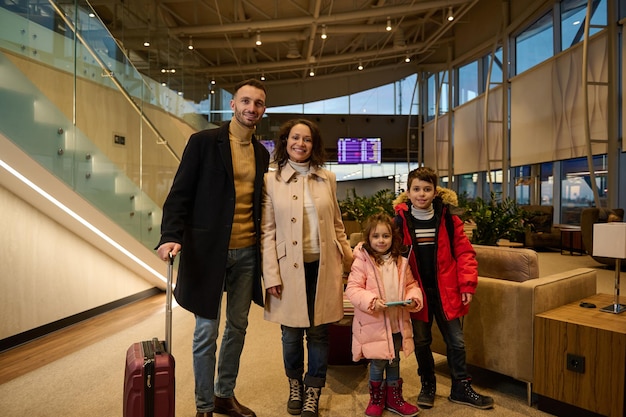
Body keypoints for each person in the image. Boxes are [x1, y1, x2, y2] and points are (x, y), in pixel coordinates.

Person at [156, 79, 270, 417]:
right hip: (207, 251)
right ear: (233, 104)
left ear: (263, 110)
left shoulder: (262, 153)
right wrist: (169, 235)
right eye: (246, 101)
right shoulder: (204, 142)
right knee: (206, 331)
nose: (252, 108)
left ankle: (224, 395)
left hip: (248, 252)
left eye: (259, 103)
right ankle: (204, 406)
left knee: (238, 327)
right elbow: (180, 194)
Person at [260, 118, 353, 417]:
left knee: (318, 334)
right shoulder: (270, 181)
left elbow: (337, 225)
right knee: (290, 335)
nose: (301, 144)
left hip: (324, 267)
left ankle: (313, 388)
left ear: (314, 145)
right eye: (295, 138)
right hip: (288, 269)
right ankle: (294, 386)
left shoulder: (328, 178)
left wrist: (349, 261)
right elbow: (267, 232)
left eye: (307, 139)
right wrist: (271, 274)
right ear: (285, 141)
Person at [394, 167, 494, 410]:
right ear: (408, 192)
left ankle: (460, 386)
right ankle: (428, 384)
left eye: (427, 189)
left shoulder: (449, 219)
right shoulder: (399, 221)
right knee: (421, 341)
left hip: (446, 290)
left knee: (457, 341)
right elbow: (389, 253)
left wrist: (467, 283)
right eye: (416, 189)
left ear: (435, 192)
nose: (422, 194)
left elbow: (464, 253)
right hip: (416, 292)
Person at [345, 213, 423, 417]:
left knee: (394, 360)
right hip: (374, 324)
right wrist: (371, 301)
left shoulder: (400, 261)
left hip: (397, 322)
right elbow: (352, 289)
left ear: (393, 238)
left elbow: (411, 285)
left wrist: (413, 298)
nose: (381, 240)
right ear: (368, 238)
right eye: (376, 236)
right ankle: (376, 398)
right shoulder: (362, 261)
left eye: (386, 236)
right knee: (378, 362)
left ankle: (394, 398)